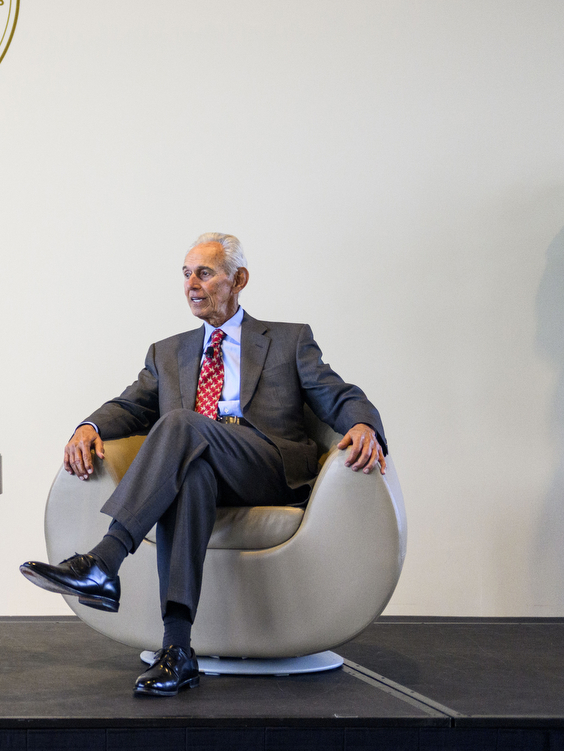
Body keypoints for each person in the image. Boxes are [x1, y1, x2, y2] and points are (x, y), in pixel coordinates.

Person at [20, 233, 387, 697]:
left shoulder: (289, 340)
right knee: (190, 475)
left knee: (179, 425)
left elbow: (340, 394)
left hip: (265, 465)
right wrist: (89, 427)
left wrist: (363, 425)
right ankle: (177, 652)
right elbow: (130, 405)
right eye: (186, 273)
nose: (192, 284)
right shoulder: (167, 352)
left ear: (239, 280)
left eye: (205, 273)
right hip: (204, 467)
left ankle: (106, 559)